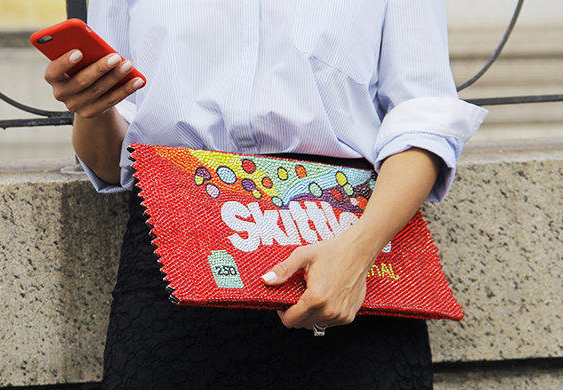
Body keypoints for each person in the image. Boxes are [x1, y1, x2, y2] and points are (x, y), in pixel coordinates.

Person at [44, 1, 487, 388]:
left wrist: (358, 250)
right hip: (175, 267)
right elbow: (112, 162)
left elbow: (423, 116)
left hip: (344, 264)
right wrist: (91, 108)